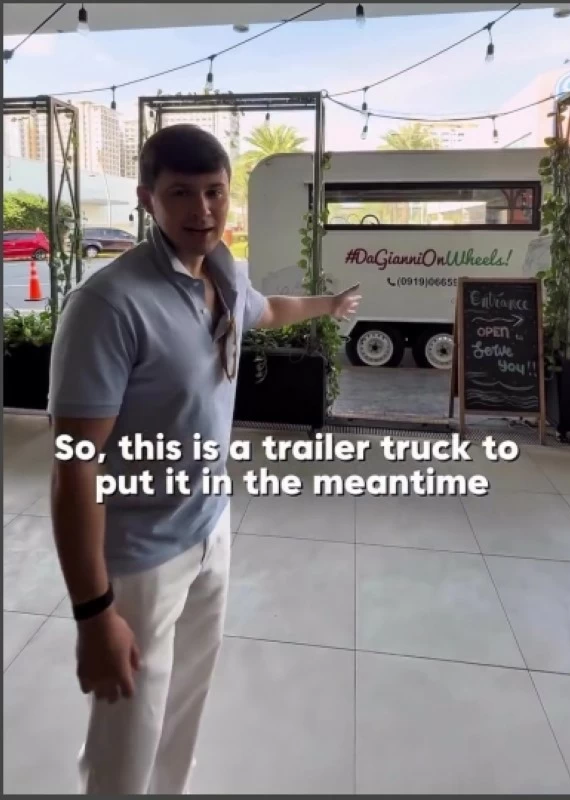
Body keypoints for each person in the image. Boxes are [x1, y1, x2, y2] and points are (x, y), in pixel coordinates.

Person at [47, 124, 361, 794]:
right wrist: (93, 611)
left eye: (215, 192)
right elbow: (74, 463)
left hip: (210, 529)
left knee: (183, 709)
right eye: (181, 193)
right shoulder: (108, 306)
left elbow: (267, 310)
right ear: (148, 199)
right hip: (139, 561)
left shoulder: (221, 271)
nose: (203, 210)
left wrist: (327, 306)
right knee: (127, 734)